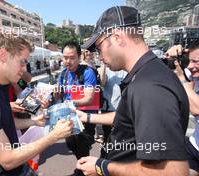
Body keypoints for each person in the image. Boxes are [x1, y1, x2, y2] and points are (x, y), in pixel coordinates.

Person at [75, 6, 190, 176]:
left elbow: (173, 172)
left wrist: (102, 167)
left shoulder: (148, 87)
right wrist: (88, 117)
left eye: (99, 48)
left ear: (117, 37)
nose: (99, 56)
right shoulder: (148, 74)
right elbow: (130, 118)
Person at [0, 33, 73, 175]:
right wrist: (53, 136)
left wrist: (34, 120)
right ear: (3, 54)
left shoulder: (0, 86)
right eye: (22, 61)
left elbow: (6, 120)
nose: (24, 69)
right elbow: (7, 159)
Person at [54, 41, 97, 176]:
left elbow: (89, 98)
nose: (68, 61)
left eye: (72, 58)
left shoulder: (88, 73)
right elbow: (58, 97)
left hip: (85, 119)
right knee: (71, 145)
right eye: (65, 57)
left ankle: (84, 171)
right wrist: (56, 94)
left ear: (79, 57)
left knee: (83, 149)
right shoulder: (63, 74)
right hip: (69, 119)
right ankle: (82, 168)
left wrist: (69, 102)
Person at [165, 43, 199, 176]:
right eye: (189, 61)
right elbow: (174, 70)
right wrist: (175, 53)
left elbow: (196, 109)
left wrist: (182, 81)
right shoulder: (194, 75)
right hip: (194, 145)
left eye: (195, 61)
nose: (190, 66)